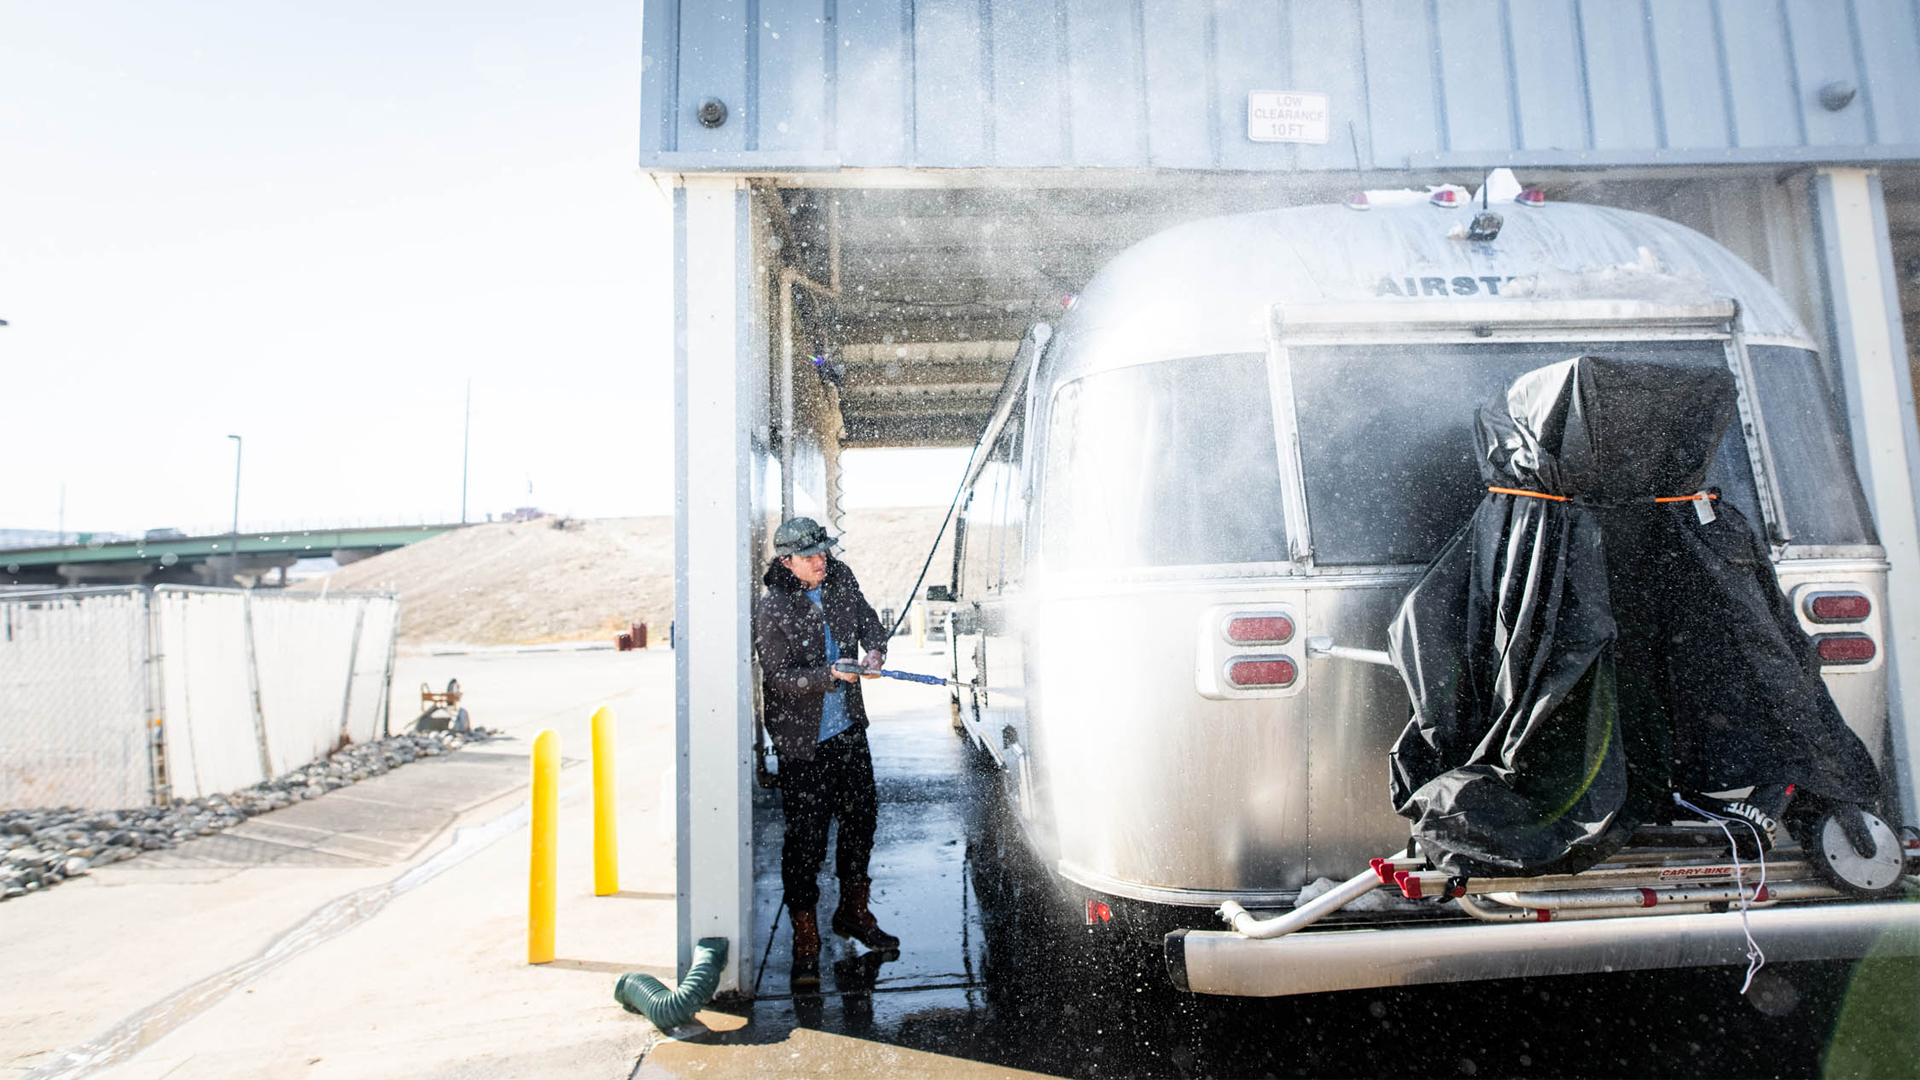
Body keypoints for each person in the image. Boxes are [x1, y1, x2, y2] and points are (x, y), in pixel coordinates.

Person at [752, 516, 900, 987]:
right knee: (806, 842)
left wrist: (874, 653)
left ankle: (853, 914)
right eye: (811, 555)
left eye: (824, 551)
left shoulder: (841, 577)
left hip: (849, 732)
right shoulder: (772, 608)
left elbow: (870, 624)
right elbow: (777, 679)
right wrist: (829, 675)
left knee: (861, 823)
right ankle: (806, 935)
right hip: (803, 745)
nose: (821, 560)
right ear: (786, 561)